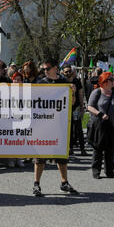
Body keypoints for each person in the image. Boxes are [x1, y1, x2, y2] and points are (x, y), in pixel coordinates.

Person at [32, 60, 79, 197]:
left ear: (55, 68)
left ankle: (64, 183)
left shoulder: (64, 82)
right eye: (43, 69)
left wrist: (73, 92)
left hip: (60, 124)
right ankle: (36, 184)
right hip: (43, 125)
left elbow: (72, 103)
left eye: (47, 68)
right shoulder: (40, 83)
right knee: (40, 157)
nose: (45, 71)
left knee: (61, 155)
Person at [87, 72, 114, 179]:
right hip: (99, 124)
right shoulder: (96, 92)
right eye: (112, 80)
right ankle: (96, 171)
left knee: (110, 149)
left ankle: (110, 171)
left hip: (112, 125)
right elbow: (89, 107)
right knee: (98, 148)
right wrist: (100, 114)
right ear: (106, 82)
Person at [62, 65, 88, 156]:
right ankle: (69, 148)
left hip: (76, 108)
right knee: (68, 130)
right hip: (65, 109)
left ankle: (82, 149)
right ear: (63, 73)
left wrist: (81, 107)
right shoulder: (62, 82)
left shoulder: (77, 81)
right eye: (66, 72)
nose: (68, 73)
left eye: (69, 71)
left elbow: (81, 95)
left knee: (78, 129)